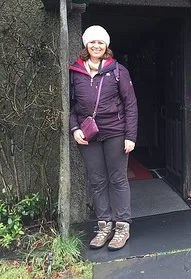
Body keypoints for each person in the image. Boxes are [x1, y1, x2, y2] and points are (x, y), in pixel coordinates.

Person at [69, 25, 138, 251]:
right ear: (86, 45)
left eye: (100, 42)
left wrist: (131, 136)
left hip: (115, 132)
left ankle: (121, 227)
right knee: (97, 181)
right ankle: (104, 226)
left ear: (106, 45)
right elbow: (70, 106)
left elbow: (130, 105)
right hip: (88, 134)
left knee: (117, 179)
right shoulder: (76, 72)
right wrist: (74, 128)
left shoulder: (118, 70)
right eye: (92, 42)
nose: (96, 46)